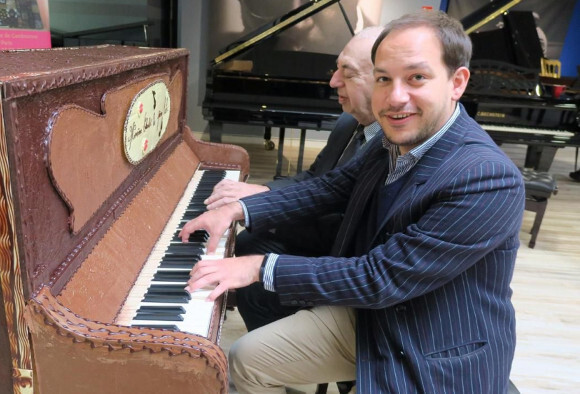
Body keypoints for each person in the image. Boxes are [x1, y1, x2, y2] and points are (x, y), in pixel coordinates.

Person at [182, 10, 525, 393]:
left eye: (417, 78)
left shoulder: (486, 177)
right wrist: (237, 209)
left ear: (456, 82)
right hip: (372, 314)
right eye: (383, 79)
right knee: (245, 358)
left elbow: (382, 277)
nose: (396, 98)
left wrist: (259, 267)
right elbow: (329, 188)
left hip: (433, 341)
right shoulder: (389, 140)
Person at [205, 26, 383, 333]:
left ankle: (278, 346)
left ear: (382, 80)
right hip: (322, 230)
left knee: (255, 264)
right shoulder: (348, 121)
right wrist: (262, 192)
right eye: (336, 69)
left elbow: (341, 217)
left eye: (348, 72)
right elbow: (316, 178)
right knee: (247, 240)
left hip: (345, 257)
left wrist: (260, 204)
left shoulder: (393, 144)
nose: (332, 82)